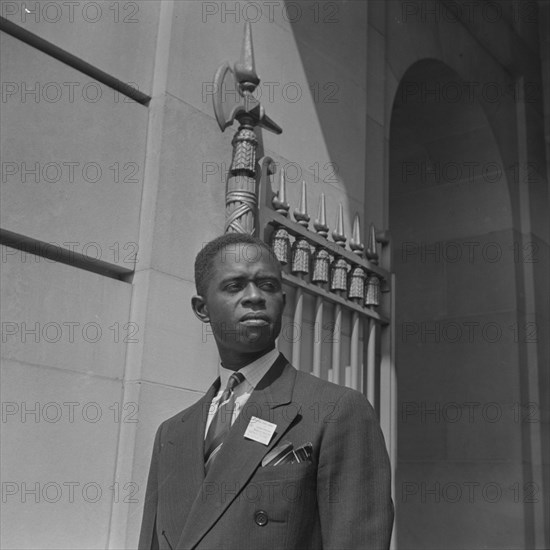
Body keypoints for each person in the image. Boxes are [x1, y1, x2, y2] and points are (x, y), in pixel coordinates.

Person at [138, 233, 394, 550]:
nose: (255, 296)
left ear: (283, 302)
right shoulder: (171, 434)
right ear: (202, 309)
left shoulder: (335, 410)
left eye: (268, 285)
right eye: (235, 286)